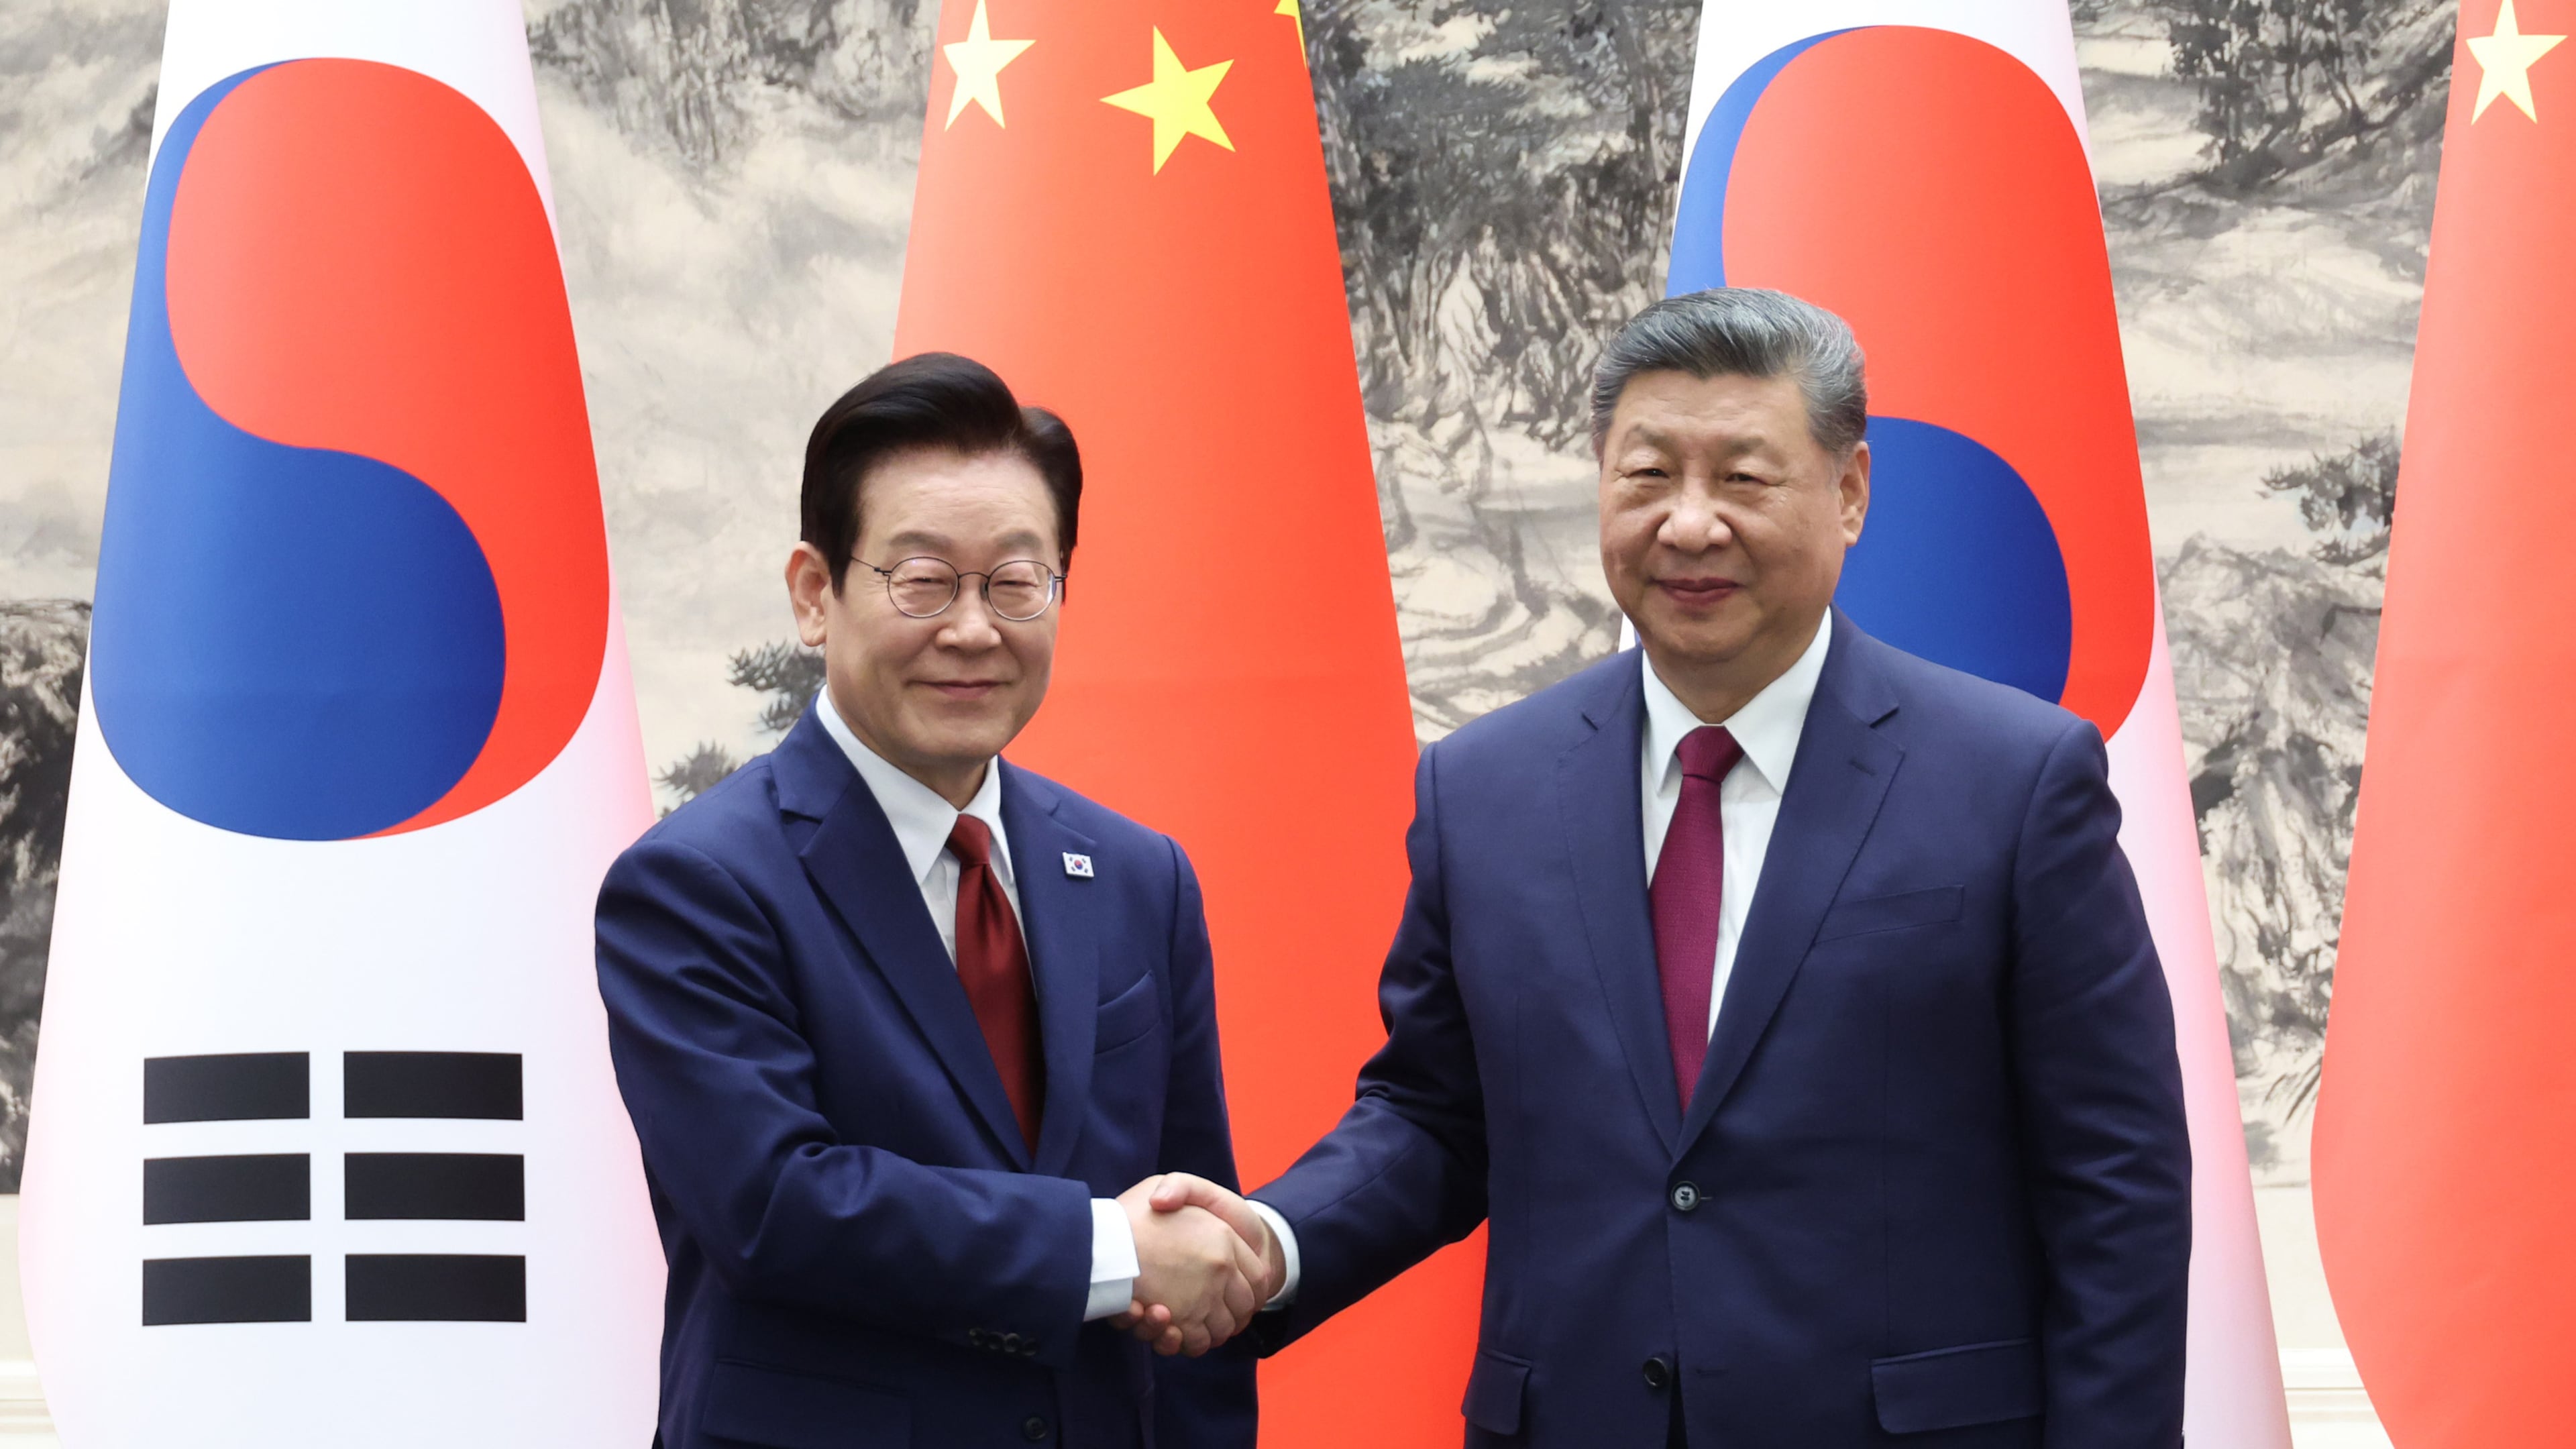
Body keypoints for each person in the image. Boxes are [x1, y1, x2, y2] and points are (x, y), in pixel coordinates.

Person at [1147, 288, 2192, 1446]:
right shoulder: (1484, 788)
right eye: (1648, 476)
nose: (1690, 526)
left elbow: (2119, 1185)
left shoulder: (2016, 780)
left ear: (1849, 494)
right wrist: (1269, 1243)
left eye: (1744, 479)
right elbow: (1437, 1115)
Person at [594, 353, 1261, 1448]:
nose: (972, 630)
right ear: (816, 594)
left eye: (1014, 582)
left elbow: (1192, 1254)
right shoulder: (696, 885)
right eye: (922, 580)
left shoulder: (1141, 876)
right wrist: (1106, 1248)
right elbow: (777, 1207)